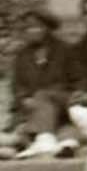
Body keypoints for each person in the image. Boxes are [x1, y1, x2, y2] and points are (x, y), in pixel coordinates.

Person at [9, 9, 80, 159]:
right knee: (64, 130)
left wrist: (70, 97)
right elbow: (17, 86)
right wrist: (23, 99)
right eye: (27, 28)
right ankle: (65, 144)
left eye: (36, 26)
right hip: (34, 108)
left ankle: (41, 139)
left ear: (47, 28)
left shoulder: (65, 51)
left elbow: (78, 80)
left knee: (43, 96)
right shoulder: (22, 56)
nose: (31, 31)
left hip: (61, 103)